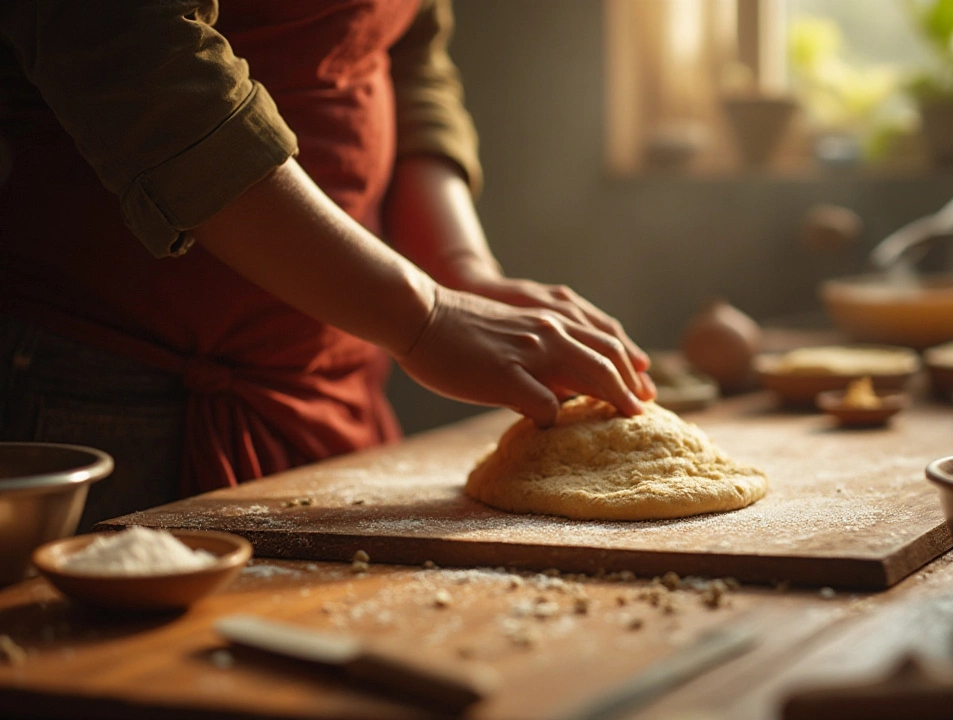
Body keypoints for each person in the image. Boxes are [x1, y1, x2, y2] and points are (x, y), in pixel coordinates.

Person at [0, 0, 655, 528]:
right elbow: (137, 55)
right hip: (105, 387)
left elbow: (408, 52)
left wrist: (460, 272)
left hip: (328, 382)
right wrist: (422, 313)